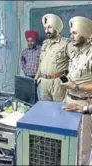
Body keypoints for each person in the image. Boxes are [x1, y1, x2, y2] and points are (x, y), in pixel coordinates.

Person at [61, 16, 92, 165]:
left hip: (83, 105)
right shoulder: (76, 53)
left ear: (85, 34)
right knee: (70, 141)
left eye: (74, 33)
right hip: (69, 100)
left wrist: (76, 87)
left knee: (82, 146)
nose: (71, 36)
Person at [35, 14, 69, 102]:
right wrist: (36, 78)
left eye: (49, 27)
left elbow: (73, 66)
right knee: (45, 109)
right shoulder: (45, 43)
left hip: (58, 82)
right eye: (45, 28)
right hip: (44, 82)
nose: (47, 31)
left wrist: (69, 84)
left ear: (56, 27)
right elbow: (41, 62)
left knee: (59, 110)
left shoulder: (66, 43)